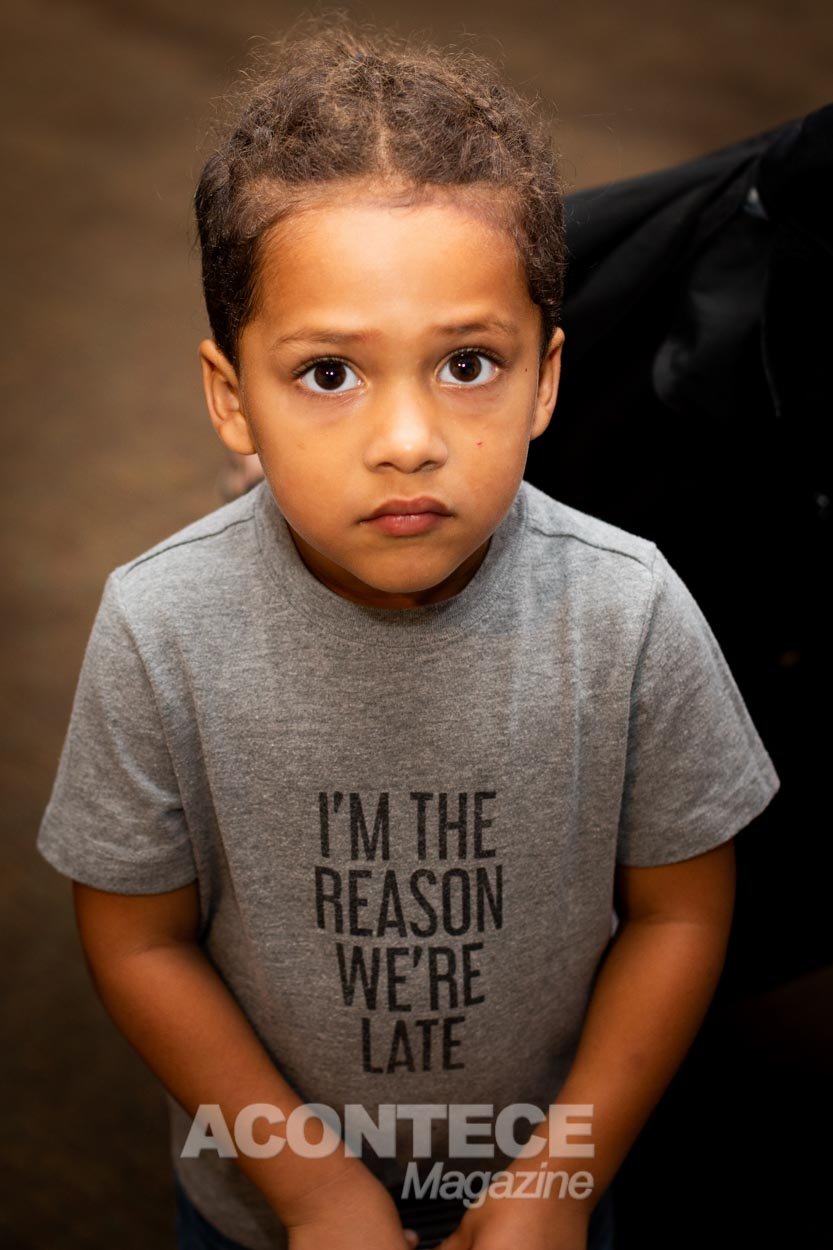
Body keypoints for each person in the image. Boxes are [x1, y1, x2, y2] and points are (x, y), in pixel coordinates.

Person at [36, 15, 780, 1250]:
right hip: (256, 1211)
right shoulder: (160, 626)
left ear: (545, 377)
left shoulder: (629, 612)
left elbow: (680, 912)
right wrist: (311, 1188)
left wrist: (560, 1177)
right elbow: (137, 935)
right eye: (329, 372)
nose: (406, 440)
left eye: (467, 364)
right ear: (232, 397)